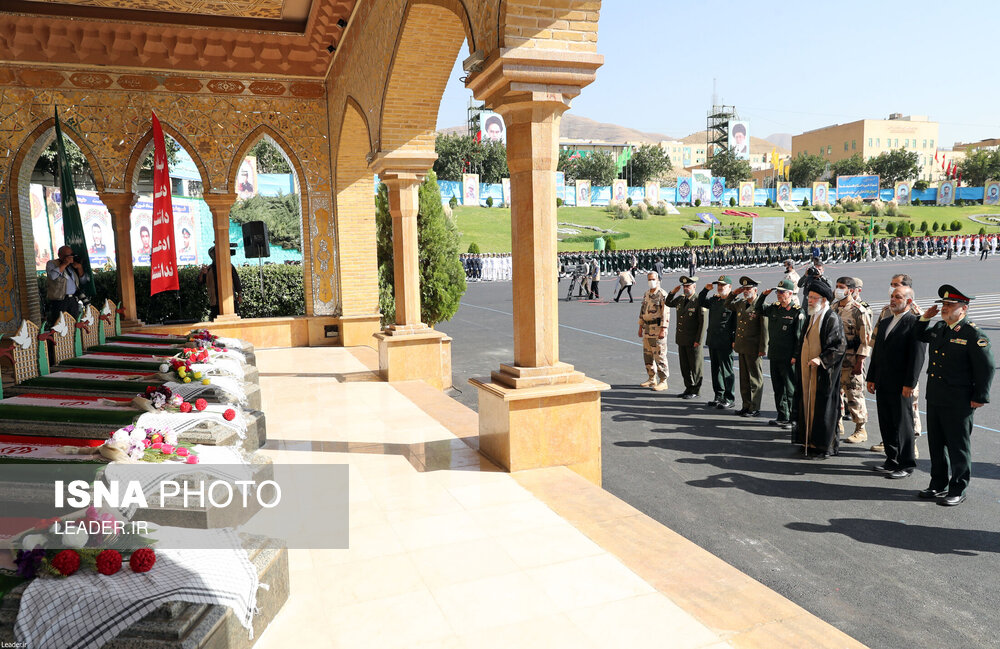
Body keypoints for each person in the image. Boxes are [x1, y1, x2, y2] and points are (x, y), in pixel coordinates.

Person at [914, 285, 995, 506]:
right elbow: (918, 335)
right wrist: (924, 317)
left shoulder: (973, 334)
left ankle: (958, 488)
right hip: (937, 396)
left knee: (958, 446)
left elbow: (986, 368)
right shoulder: (940, 327)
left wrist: (980, 396)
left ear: (963, 309)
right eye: (944, 305)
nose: (945, 308)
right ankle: (937, 484)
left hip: (959, 400)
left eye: (950, 305)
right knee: (937, 444)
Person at [867, 285, 926, 479]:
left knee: (903, 424)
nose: (893, 300)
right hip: (883, 382)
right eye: (892, 296)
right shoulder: (886, 321)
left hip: (901, 385)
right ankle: (891, 460)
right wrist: (871, 377)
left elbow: (916, 358)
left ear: (909, 301)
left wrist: (910, 383)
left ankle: (906, 463)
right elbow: (877, 353)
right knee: (886, 423)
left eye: (898, 297)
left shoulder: (914, 323)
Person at [795, 280, 846, 459]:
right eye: (809, 297)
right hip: (807, 371)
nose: (809, 300)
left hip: (823, 373)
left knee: (822, 409)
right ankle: (809, 440)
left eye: (813, 298)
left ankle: (824, 446)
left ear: (824, 300)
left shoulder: (831, 318)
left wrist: (821, 359)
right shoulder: (812, 315)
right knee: (807, 404)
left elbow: (839, 346)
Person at [756, 279, 806, 429]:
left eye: (782, 292)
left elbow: (799, 338)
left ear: (790, 293)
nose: (779, 295)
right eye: (777, 292)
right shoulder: (774, 308)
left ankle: (793, 418)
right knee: (778, 387)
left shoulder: (797, 312)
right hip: (775, 355)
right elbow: (758, 309)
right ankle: (782, 415)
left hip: (789, 357)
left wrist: (795, 356)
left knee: (790, 389)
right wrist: (763, 296)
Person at [833, 277, 872, 444]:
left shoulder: (858, 311)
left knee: (854, 395)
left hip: (851, 360)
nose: (838, 290)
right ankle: (837, 423)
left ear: (850, 289)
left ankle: (860, 429)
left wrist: (860, 362)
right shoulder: (833, 307)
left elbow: (866, 340)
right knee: (836, 394)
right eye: (837, 286)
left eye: (841, 287)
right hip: (835, 360)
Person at [727, 277, 768, 417]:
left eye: (748, 289)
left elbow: (764, 329)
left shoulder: (760, 305)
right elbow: (727, 304)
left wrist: (763, 348)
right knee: (744, 379)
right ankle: (746, 405)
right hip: (742, 346)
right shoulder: (740, 303)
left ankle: (755, 407)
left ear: (755, 290)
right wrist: (734, 293)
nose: (745, 291)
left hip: (754, 347)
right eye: (744, 289)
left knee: (755, 379)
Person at [666, 276, 707, 399]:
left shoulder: (699, 300)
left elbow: (703, 323)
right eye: (684, 286)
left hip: (693, 340)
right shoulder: (680, 299)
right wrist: (672, 292)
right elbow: (668, 303)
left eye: (688, 286)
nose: (685, 288)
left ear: (694, 287)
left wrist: (698, 341)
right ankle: (688, 388)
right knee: (685, 366)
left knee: (695, 367)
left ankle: (696, 390)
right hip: (682, 339)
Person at [699, 276, 737, 409]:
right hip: (713, 340)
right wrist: (705, 289)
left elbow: (736, 324)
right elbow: (700, 301)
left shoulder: (734, 303)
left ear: (730, 287)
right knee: (715, 370)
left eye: (723, 285)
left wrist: (734, 340)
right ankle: (718, 396)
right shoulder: (714, 300)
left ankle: (729, 398)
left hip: (725, 341)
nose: (720, 287)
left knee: (727, 371)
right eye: (718, 285)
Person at [638, 271, 669, 391]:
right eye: (649, 279)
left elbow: (666, 313)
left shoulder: (662, 294)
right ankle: (651, 378)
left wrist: (663, 329)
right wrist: (640, 326)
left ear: (658, 280)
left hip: (657, 330)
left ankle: (663, 380)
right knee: (648, 355)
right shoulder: (646, 294)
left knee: (659, 356)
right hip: (646, 329)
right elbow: (642, 311)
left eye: (653, 279)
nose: (651, 281)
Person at [45, 245, 87, 326]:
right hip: (59, 299)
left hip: (73, 299)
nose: (70, 258)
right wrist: (64, 264)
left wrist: (79, 268)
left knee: (74, 323)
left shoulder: (72, 266)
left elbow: (83, 280)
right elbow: (52, 276)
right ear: (60, 255)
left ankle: (73, 338)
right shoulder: (52, 263)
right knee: (59, 324)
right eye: (68, 256)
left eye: (71, 255)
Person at [197, 246, 242, 320]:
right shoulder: (208, 269)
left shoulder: (229, 266)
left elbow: (236, 281)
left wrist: (239, 295)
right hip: (215, 302)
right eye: (213, 254)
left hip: (230, 300)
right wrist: (202, 273)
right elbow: (199, 282)